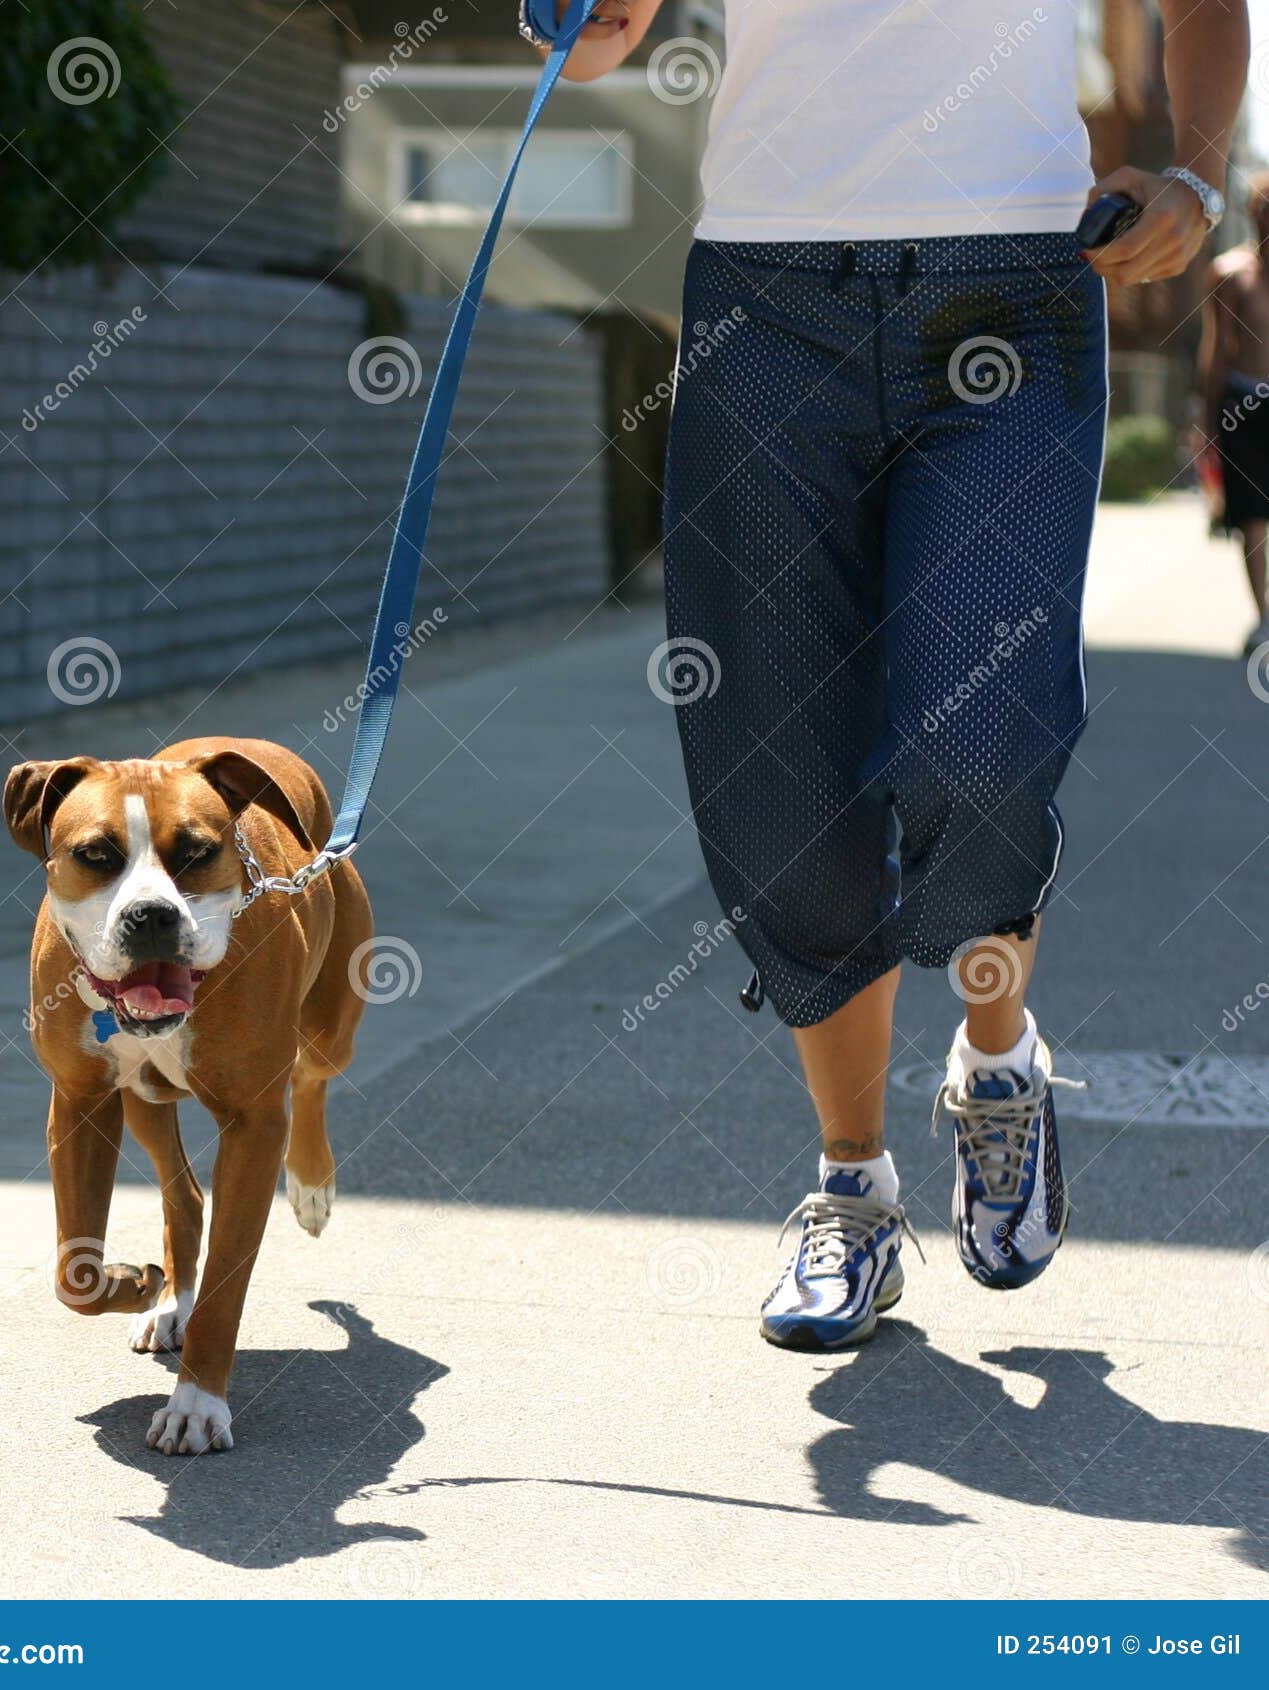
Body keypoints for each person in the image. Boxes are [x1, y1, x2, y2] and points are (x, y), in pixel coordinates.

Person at [537, 0, 1245, 1347]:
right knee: (779, 789)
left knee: (980, 744)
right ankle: (852, 1189)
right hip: (765, 301)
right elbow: (602, 35)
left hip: (1012, 287)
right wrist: (575, 22)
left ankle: (997, 1057)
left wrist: (1197, 177)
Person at [1199, 169, 1269, 655]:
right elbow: (1217, 350)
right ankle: (1264, 617)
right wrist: (1207, 423)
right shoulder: (1230, 273)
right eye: (1263, 210)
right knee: (1253, 515)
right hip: (1245, 405)